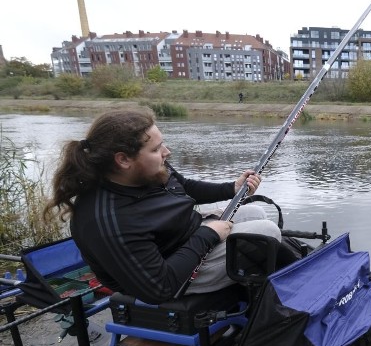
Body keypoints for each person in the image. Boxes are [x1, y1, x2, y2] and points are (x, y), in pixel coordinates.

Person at [46, 107, 282, 304]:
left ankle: (258, 290)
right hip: (174, 277)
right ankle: (265, 308)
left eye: (162, 144)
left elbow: (184, 186)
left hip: (186, 240)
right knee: (265, 232)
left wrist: (231, 187)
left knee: (254, 212)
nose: (166, 152)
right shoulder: (107, 220)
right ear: (123, 159)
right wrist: (207, 235)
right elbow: (160, 288)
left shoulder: (147, 170)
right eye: (156, 149)